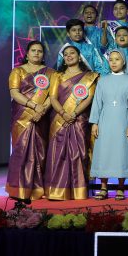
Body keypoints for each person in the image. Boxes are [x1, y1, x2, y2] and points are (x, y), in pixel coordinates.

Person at [45, 45, 99, 201]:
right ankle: (57, 191)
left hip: (79, 119)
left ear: (79, 56)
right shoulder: (57, 76)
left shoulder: (89, 76)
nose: (69, 56)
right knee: (58, 153)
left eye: (72, 53)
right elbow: (53, 98)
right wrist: (64, 113)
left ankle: (78, 191)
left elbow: (89, 98)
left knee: (78, 153)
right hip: (59, 119)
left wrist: (74, 113)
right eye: (66, 54)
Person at [6, 41, 54, 202]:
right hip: (22, 117)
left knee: (40, 153)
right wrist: (34, 106)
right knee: (21, 151)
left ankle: (38, 189)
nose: (36, 53)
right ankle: (18, 188)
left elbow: (52, 96)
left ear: (43, 55)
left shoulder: (51, 73)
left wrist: (42, 110)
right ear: (27, 54)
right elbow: (14, 93)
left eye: (40, 51)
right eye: (33, 50)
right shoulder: (17, 71)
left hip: (41, 117)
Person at [89, 50, 128, 200]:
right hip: (105, 121)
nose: (114, 62)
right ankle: (103, 187)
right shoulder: (102, 81)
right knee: (104, 152)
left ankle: (120, 187)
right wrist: (94, 123)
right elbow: (97, 103)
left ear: (123, 62)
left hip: (123, 120)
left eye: (117, 59)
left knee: (121, 153)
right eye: (111, 60)